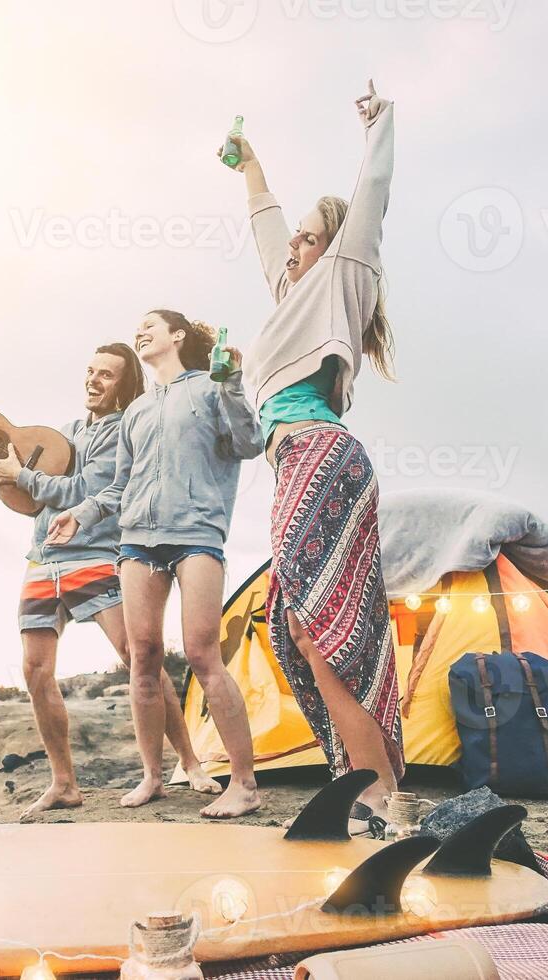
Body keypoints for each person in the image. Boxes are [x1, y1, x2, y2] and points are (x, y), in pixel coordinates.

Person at [225, 79, 404, 830]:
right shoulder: (288, 299)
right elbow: (266, 229)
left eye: (308, 236)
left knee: (314, 625)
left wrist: (377, 125)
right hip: (293, 466)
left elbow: (373, 196)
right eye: (295, 238)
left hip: (324, 457)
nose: (295, 246)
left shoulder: (340, 278)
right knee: (298, 629)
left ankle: (378, 801)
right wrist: (250, 167)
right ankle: (376, 789)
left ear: (331, 245)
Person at [0, 345, 222, 817]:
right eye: (90, 372)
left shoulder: (121, 432)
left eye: (106, 376)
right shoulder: (68, 432)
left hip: (95, 555)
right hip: (43, 557)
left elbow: (85, 492)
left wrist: (23, 475)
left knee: (140, 659)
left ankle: (190, 762)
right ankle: (64, 783)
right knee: (36, 671)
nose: (93, 381)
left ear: (125, 385)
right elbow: (30, 491)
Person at [48, 312, 266, 819]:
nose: (141, 331)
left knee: (202, 653)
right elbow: (121, 486)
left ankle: (245, 783)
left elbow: (249, 443)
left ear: (177, 337)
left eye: (151, 324)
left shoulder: (210, 389)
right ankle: (152, 776)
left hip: (196, 535)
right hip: (137, 541)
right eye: (138, 326)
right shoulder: (138, 410)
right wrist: (81, 514)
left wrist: (231, 383)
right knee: (142, 658)